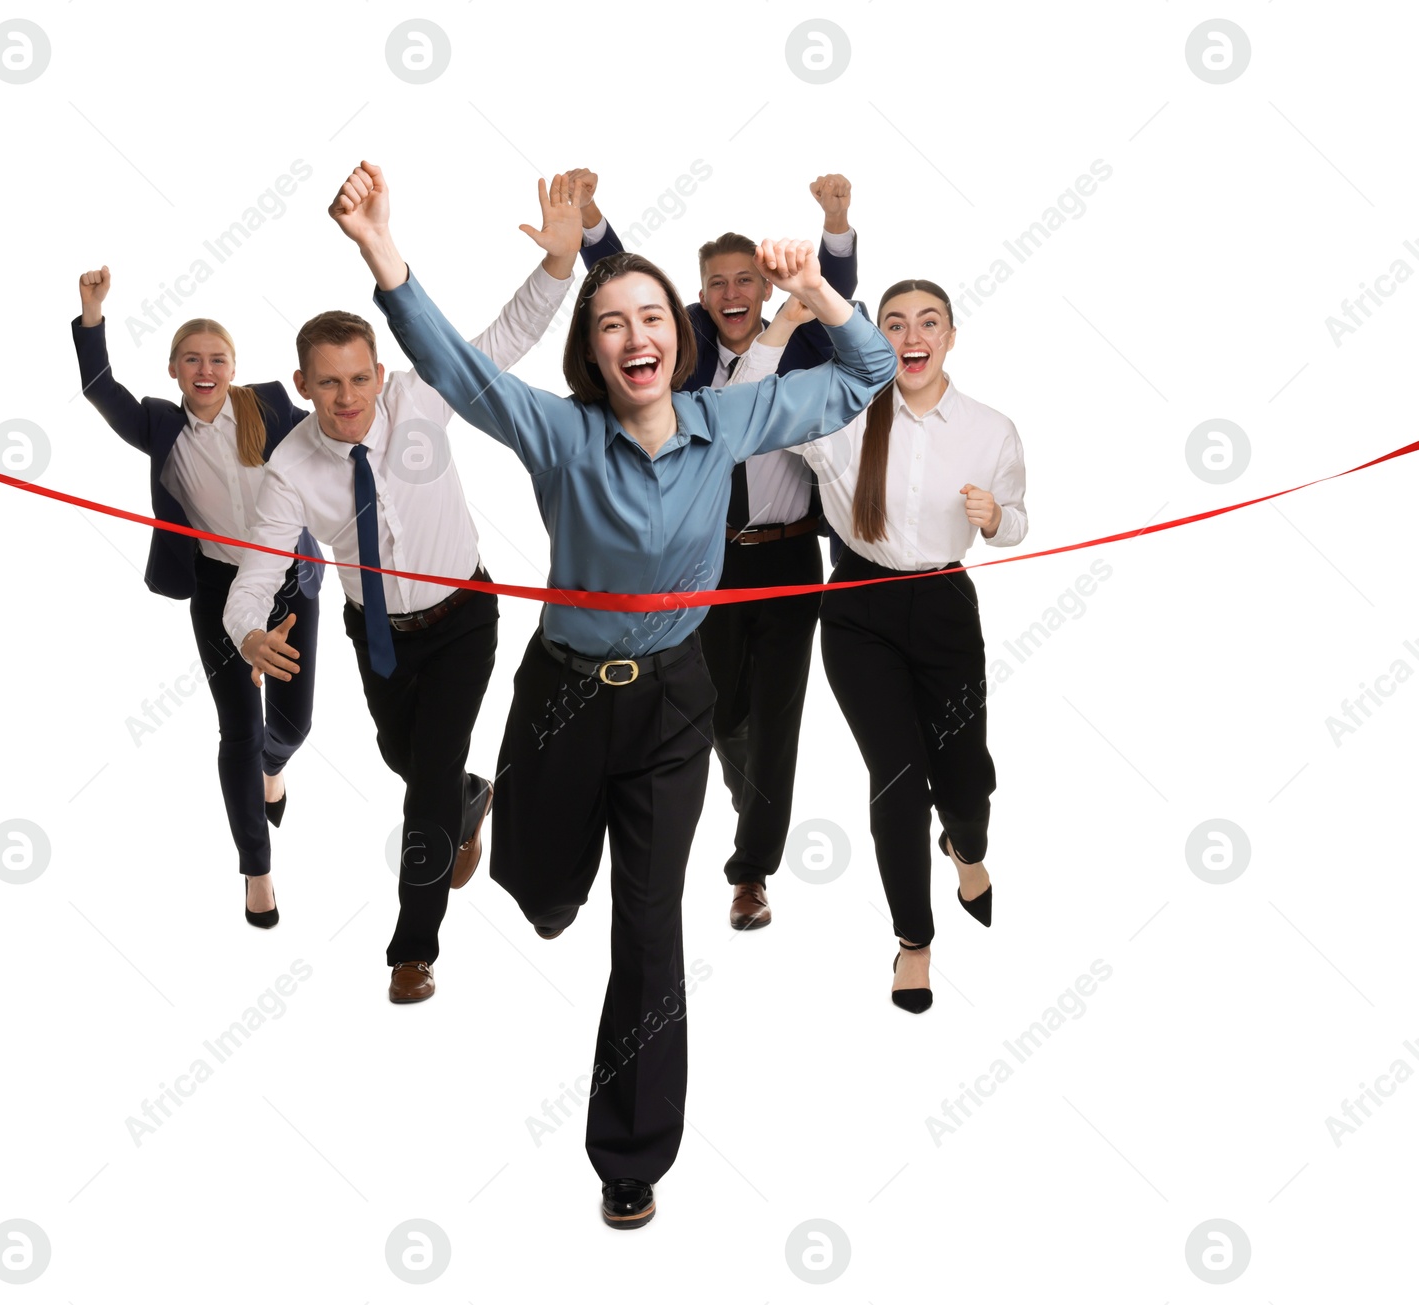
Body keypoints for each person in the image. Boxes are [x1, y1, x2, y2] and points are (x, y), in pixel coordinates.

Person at [328, 159, 894, 1227]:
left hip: (675, 697)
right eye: (609, 322)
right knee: (545, 894)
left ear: (675, 338)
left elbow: (862, 377)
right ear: (591, 352)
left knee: (647, 925)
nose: (636, 335)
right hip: (561, 696)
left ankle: (629, 1156)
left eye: (651, 317)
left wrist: (814, 291)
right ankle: (513, 842)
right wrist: (380, 250)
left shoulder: (725, 421)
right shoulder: (560, 434)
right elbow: (454, 369)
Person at [225, 174, 583, 1003]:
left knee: (422, 788)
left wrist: (560, 264)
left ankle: (410, 951)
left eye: (359, 380)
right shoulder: (290, 468)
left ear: (380, 373)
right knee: (405, 755)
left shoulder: (422, 396)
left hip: (464, 619)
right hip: (379, 634)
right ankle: (470, 796)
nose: (347, 399)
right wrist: (248, 631)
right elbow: (255, 579)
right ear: (304, 383)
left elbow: (507, 335)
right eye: (328, 384)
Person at [726, 281, 1028, 1013]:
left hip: (948, 607)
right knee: (898, 779)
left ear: (950, 335)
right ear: (874, 337)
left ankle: (965, 846)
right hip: (858, 610)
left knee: (964, 788)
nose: (910, 334)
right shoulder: (838, 414)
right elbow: (741, 408)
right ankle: (914, 942)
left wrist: (996, 519)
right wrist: (790, 319)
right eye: (892, 323)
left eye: (928, 322)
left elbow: (1019, 519)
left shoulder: (990, 429)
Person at [570, 169, 858, 931]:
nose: (732, 293)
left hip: (790, 560)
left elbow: (843, 306)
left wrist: (834, 223)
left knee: (778, 723)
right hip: (706, 563)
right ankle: (746, 791)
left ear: (766, 290)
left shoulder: (798, 346)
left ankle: (750, 872)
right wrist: (594, 219)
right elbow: (625, 288)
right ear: (699, 295)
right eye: (715, 283)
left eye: (745, 282)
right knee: (717, 712)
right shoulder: (685, 348)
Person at [71, 273, 325, 929]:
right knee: (238, 729)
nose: (205, 369)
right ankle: (257, 870)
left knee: (292, 726)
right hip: (217, 590)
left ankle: (276, 766)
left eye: (217, 358)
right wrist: (94, 313)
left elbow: (331, 441)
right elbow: (101, 389)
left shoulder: (268, 406)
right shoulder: (159, 423)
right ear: (175, 370)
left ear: (233, 367)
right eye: (193, 359)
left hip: (289, 580)